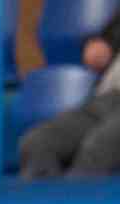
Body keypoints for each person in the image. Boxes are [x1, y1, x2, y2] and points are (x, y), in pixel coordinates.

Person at [19, 9, 120, 178]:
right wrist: (103, 46)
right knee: (37, 143)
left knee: (100, 146)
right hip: (107, 96)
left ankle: (81, 194)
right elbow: (106, 40)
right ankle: (47, 196)